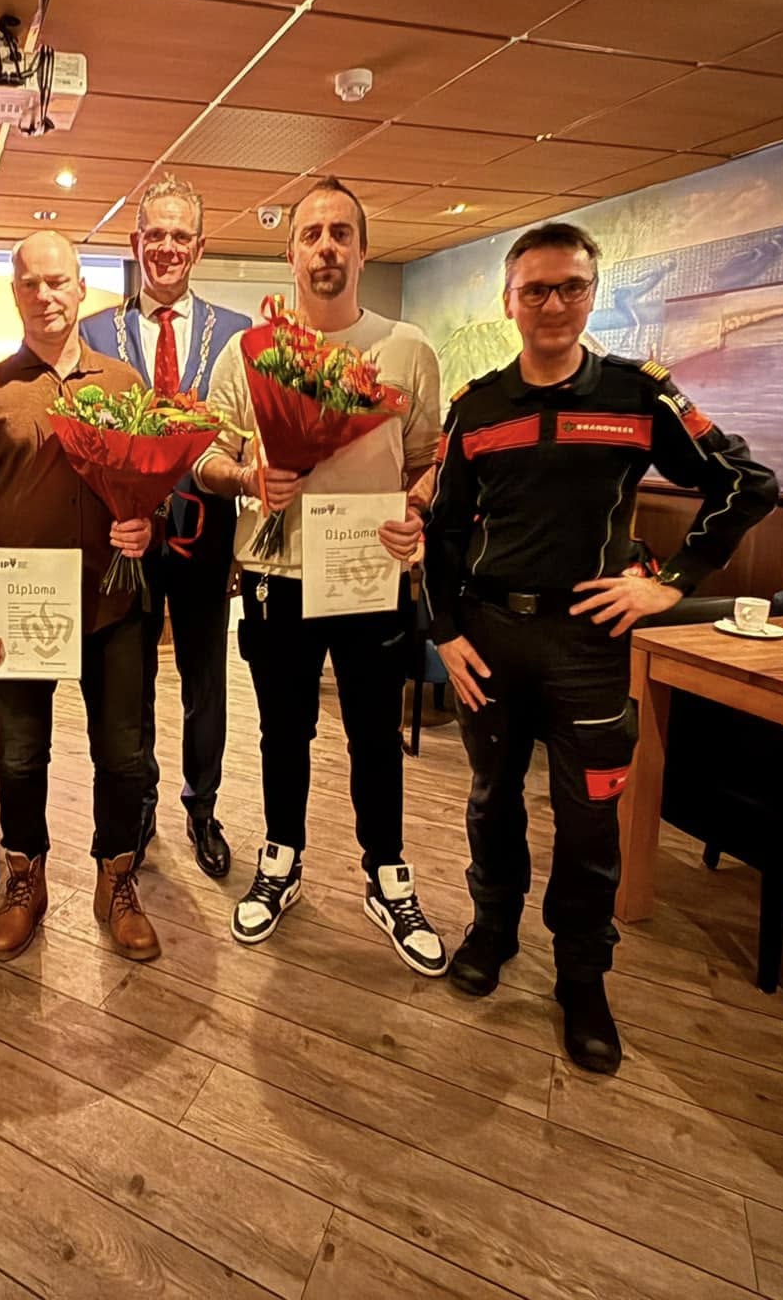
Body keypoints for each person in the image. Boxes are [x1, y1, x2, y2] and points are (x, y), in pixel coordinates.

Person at [425, 221, 778, 1073]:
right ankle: (492, 931)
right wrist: (446, 634)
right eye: (535, 289)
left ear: (592, 294)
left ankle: (582, 978)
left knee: (588, 820)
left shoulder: (636, 395)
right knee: (492, 800)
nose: (553, 304)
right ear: (509, 301)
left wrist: (672, 583)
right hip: (491, 640)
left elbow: (746, 483)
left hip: (589, 645)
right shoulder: (477, 406)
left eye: (571, 287)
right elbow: (442, 531)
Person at [192, 177, 448, 976]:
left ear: (364, 251)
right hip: (277, 573)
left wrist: (417, 509)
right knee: (282, 731)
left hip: (370, 574)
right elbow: (205, 458)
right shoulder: (247, 353)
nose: (326, 247)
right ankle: (282, 857)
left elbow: (429, 460)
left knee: (374, 733)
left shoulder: (406, 349)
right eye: (312, 234)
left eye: (342, 233)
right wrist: (247, 478)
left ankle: (387, 872)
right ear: (291, 252)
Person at [0, 231, 160, 961]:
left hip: (113, 604)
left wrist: (146, 524)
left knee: (124, 756)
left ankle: (115, 879)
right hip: (23, 610)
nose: (45, 295)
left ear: (81, 288)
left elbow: (153, 491)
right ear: (15, 294)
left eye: (58, 281)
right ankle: (25, 878)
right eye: (30, 283)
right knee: (18, 759)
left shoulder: (125, 387)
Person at [78, 175, 251, 879]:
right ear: (136, 242)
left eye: (181, 236)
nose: (168, 247)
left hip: (207, 535)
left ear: (200, 247)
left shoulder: (238, 334)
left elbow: (249, 439)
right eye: (156, 235)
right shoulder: (94, 332)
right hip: (126, 536)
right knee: (133, 678)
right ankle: (142, 800)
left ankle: (202, 806)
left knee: (206, 679)